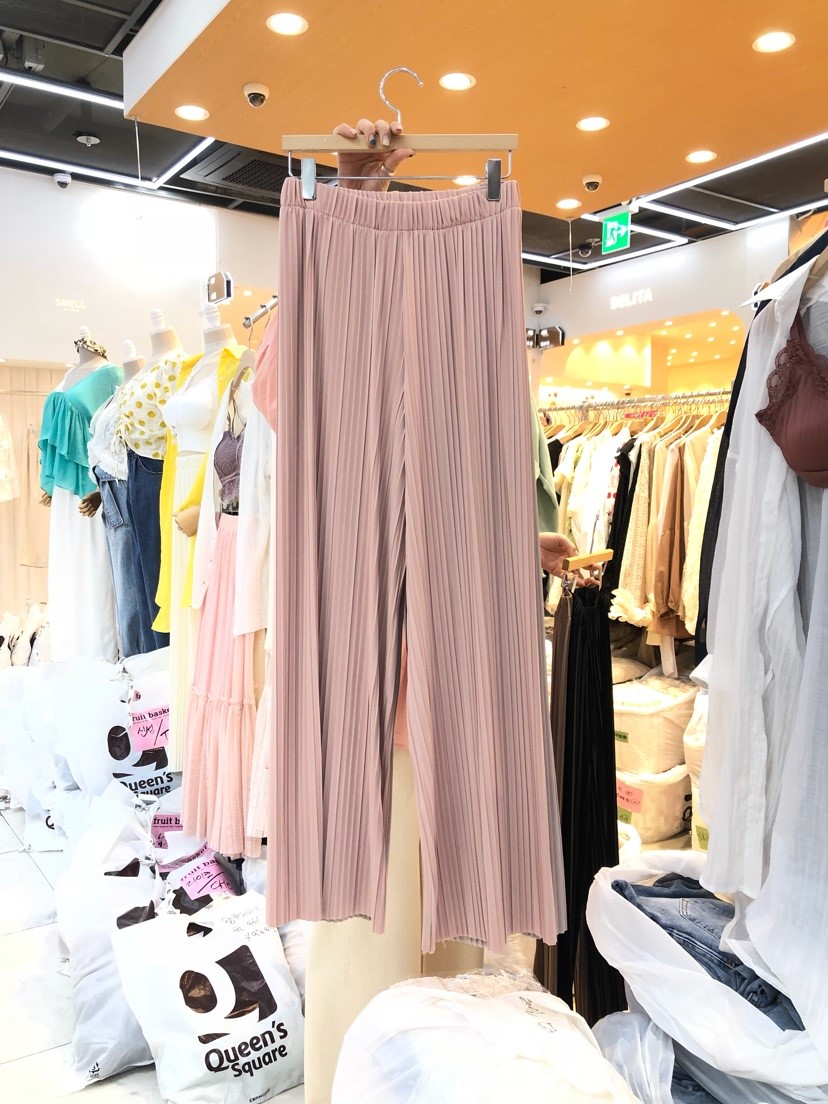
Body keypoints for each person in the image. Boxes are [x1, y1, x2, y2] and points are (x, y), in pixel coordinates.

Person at [335, 119, 580, 580]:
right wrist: (351, 213)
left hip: (453, 582)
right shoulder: (345, 368)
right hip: (360, 574)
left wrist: (518, 547)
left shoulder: (488, 387)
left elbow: (454, 500)